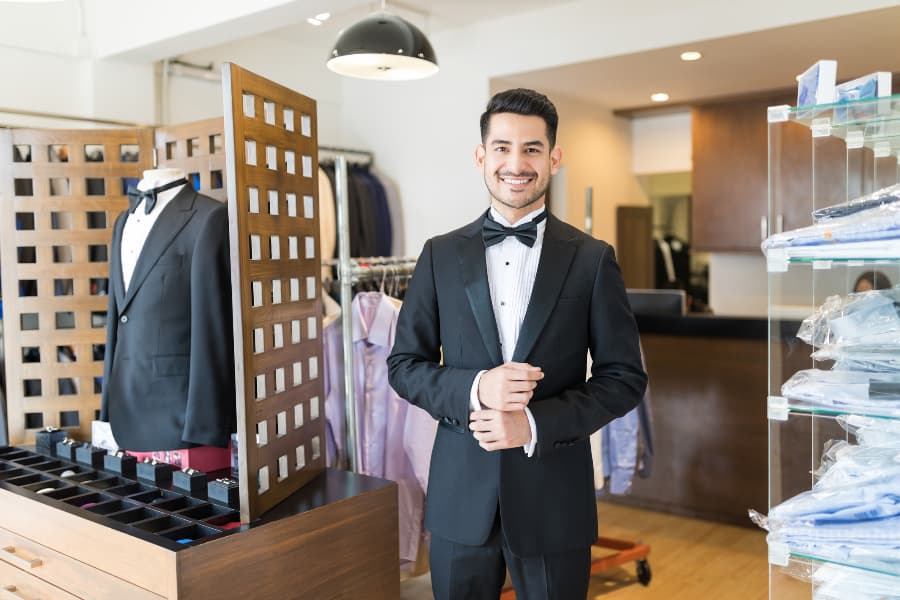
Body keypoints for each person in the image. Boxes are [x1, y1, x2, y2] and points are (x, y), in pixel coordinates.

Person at [387, 88, 647, 599]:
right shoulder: (438, 255)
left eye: (531, 148)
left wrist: (531, 422)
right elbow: (403, 366)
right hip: (462, 497)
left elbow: (624, 378)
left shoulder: (593, 258)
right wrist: (479, 387)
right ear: (481, 157)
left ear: (554, 157)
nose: (516, 163)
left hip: (555, 499)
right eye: (502, 147)